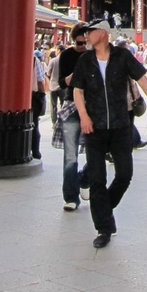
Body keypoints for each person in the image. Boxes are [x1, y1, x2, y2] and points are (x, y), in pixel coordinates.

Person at [72, 18, 147, 248]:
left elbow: (143, 80)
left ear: (103, 33)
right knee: (97, 178)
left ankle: (104, 208)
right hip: (93, 127)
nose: (86, 36)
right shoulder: (85, 60)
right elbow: (77, 90)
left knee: (125, 174)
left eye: (90, 32)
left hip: (121, 125)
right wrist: (83, 116)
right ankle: (104, 228)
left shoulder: (123, 57)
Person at [57, 23, 90, 211]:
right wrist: (73, 75)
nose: (82, 46)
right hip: (71, 106)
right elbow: (61, 82)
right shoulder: (67, 55)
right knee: (71, 155)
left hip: (93, 106)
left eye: (85, 42)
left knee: (98, 152)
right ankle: (70, 197)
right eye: (79, 43)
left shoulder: (95, 55)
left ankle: (84, 179)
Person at [30, 49, 46, 160]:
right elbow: (40, 81)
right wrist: (42, 95)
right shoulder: (34, 60)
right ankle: (35, 152)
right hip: (31, 97)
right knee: (34, 125)